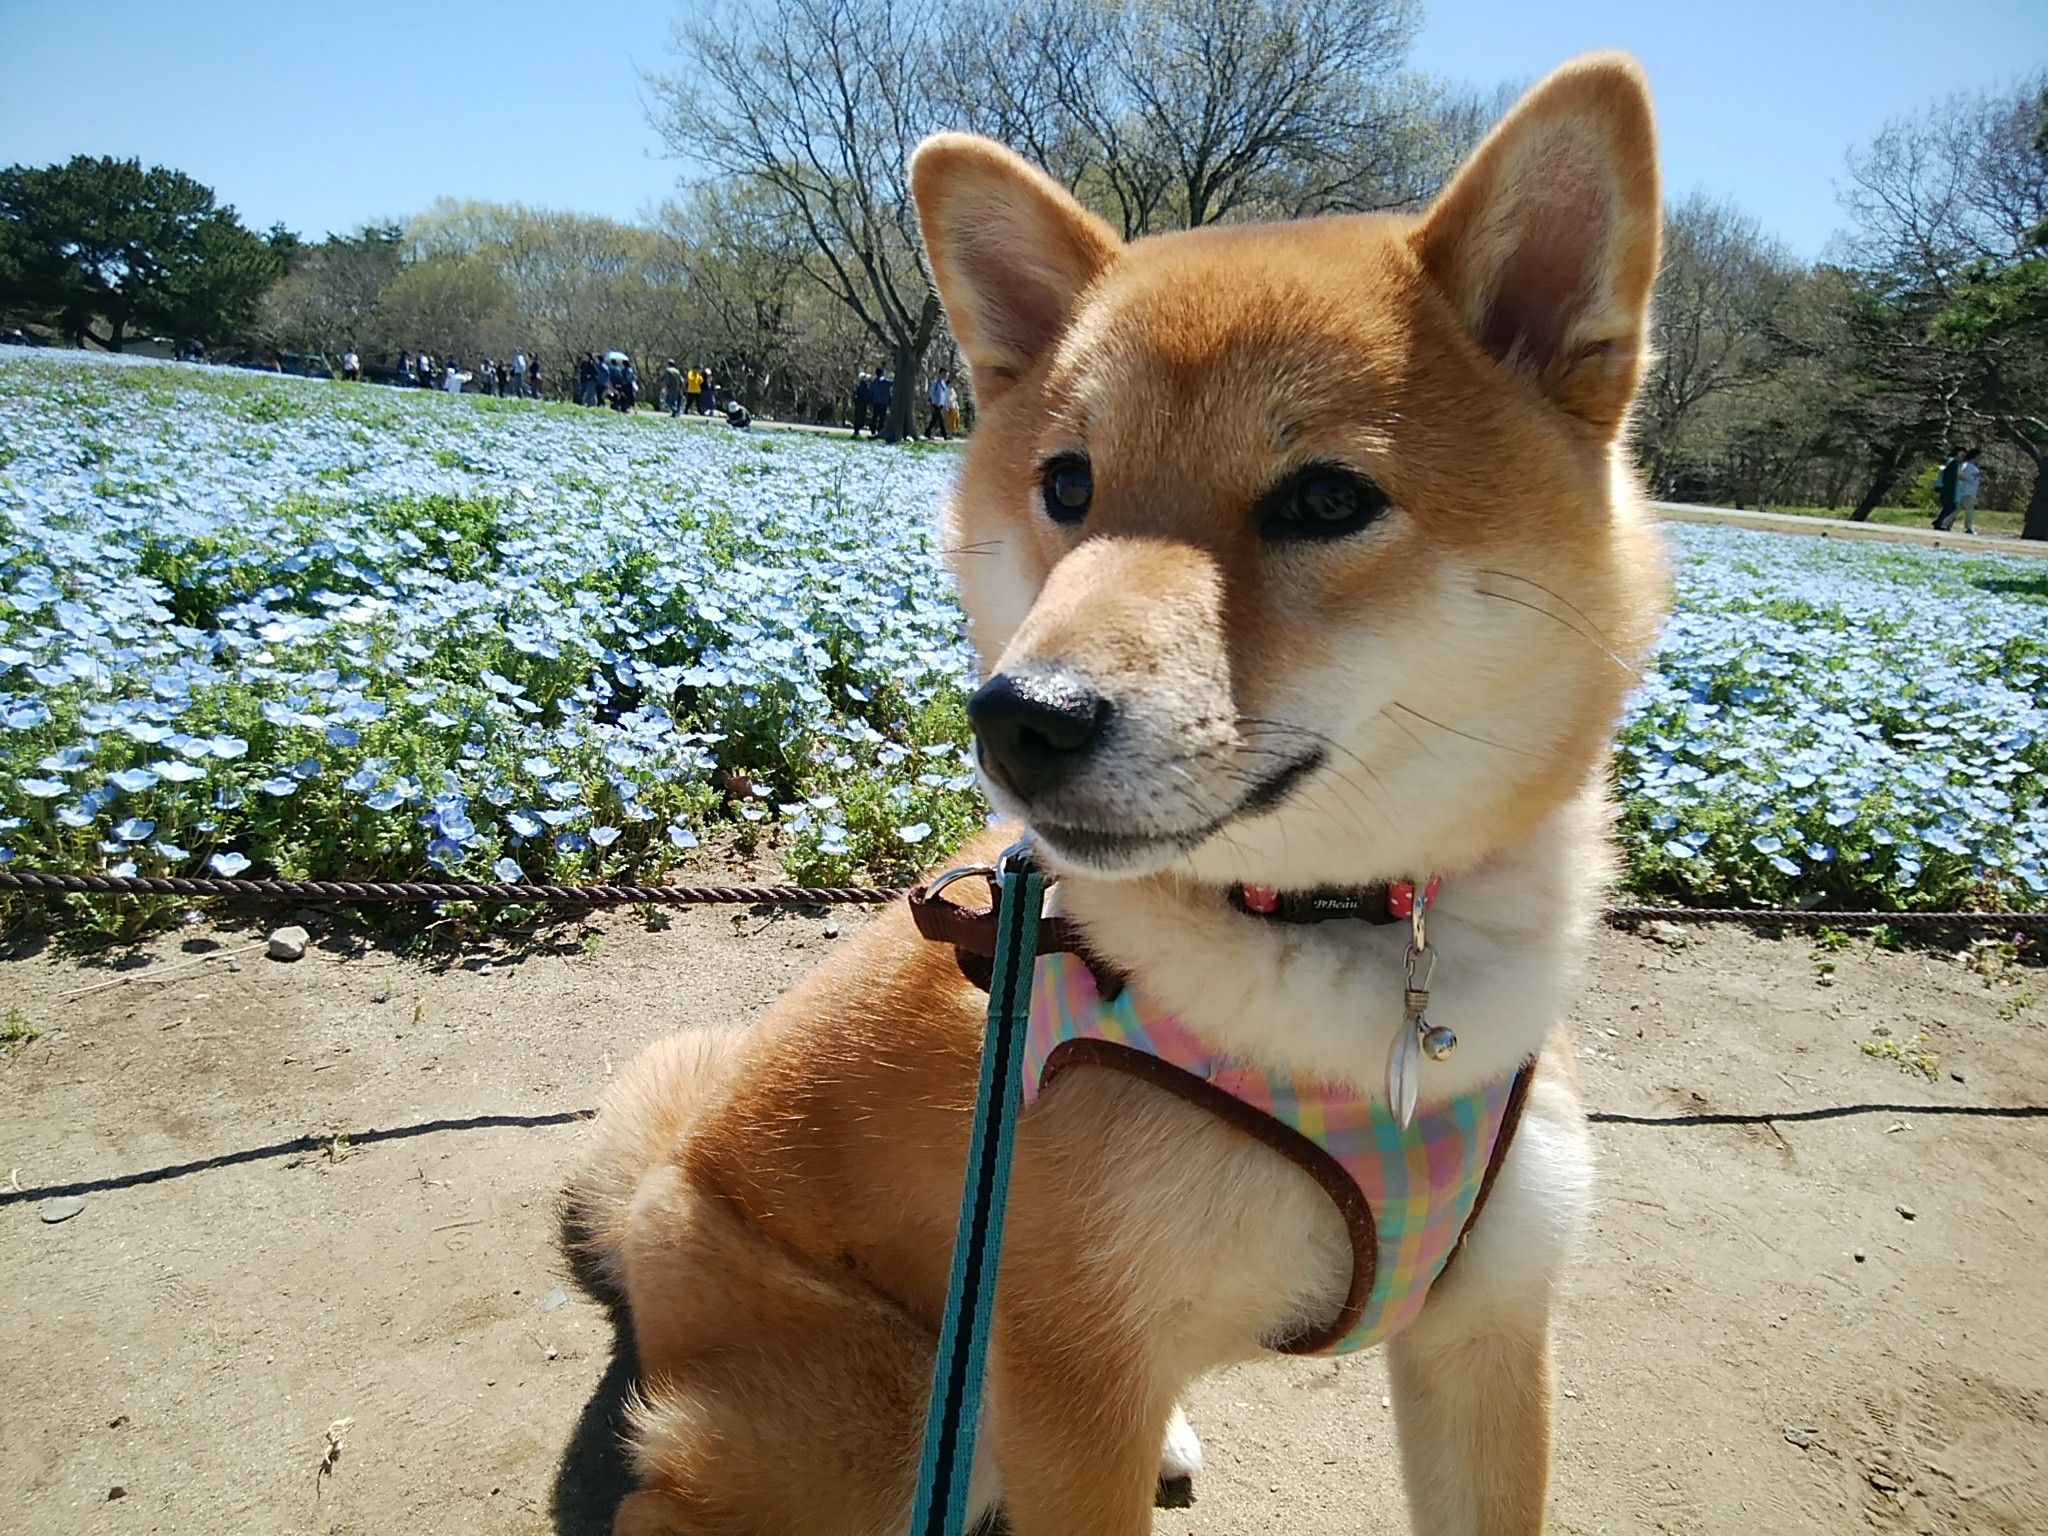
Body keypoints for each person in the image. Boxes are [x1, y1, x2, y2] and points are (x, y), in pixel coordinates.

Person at [1954, 447, 1983, 535]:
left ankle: (1945, 524)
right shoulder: (1967, 466)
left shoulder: (1972, 466)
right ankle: (1969, 528)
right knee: (1970, 510)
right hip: (1967, 492)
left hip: (1968, 492)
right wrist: (1974, 477)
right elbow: (1961, 476)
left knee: (1956, 510)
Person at [924, 371, 953, 440]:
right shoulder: (936, 382)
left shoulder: (943, 383)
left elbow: (944, 393)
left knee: (934, 419)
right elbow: (932, 392)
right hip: (936, 404)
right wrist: (934, 402)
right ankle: (945, 436)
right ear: (940, 374)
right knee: (941, 419)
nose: (945, 376)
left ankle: (927, 432)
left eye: (946, 374)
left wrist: (945, 404)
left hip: (941, 404)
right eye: (944, 374)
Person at [869, 367, 893, 440]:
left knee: (875, 416)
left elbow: (871, 391)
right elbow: (894, 383)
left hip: (876, 401)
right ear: (882, 373)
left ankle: (872, 430)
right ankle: (880, 430)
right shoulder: (886, 381)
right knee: (882, 418)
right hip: (884, 402)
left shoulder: (873, 382)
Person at [850, 369, 872, 437]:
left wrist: (855, 401)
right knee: (860, 417)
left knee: (857, 417)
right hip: (862, 404)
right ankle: (857, 430)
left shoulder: (859, 387)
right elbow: (867, 396)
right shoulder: (865, 387)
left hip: (859, 404)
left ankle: (856, 430)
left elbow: (854, 395)